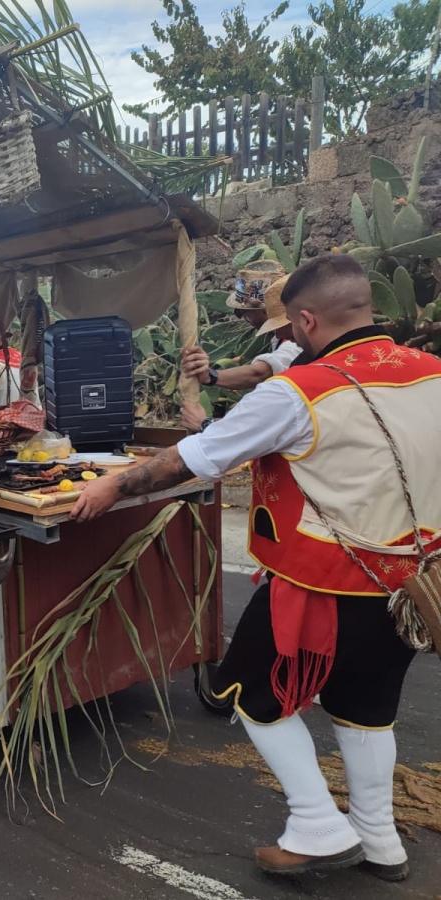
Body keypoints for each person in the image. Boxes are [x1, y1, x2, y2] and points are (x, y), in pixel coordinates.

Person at [71, 255, 441, 882]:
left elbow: (191, 459)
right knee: (367, 709)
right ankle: (381, 843)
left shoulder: (298, 390)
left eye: (290, 329)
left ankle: (316, 824)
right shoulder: (432, 372)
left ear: (305, 319)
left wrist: (115, 486)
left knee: (252, 693)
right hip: (412, 587)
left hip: (321, 585)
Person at [181, 262, 303, 431]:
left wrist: (211, 377)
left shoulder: (295, 342)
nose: (241, 318)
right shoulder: (282, 337)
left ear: (265, 310)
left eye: (243, 312)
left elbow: (259, 372)